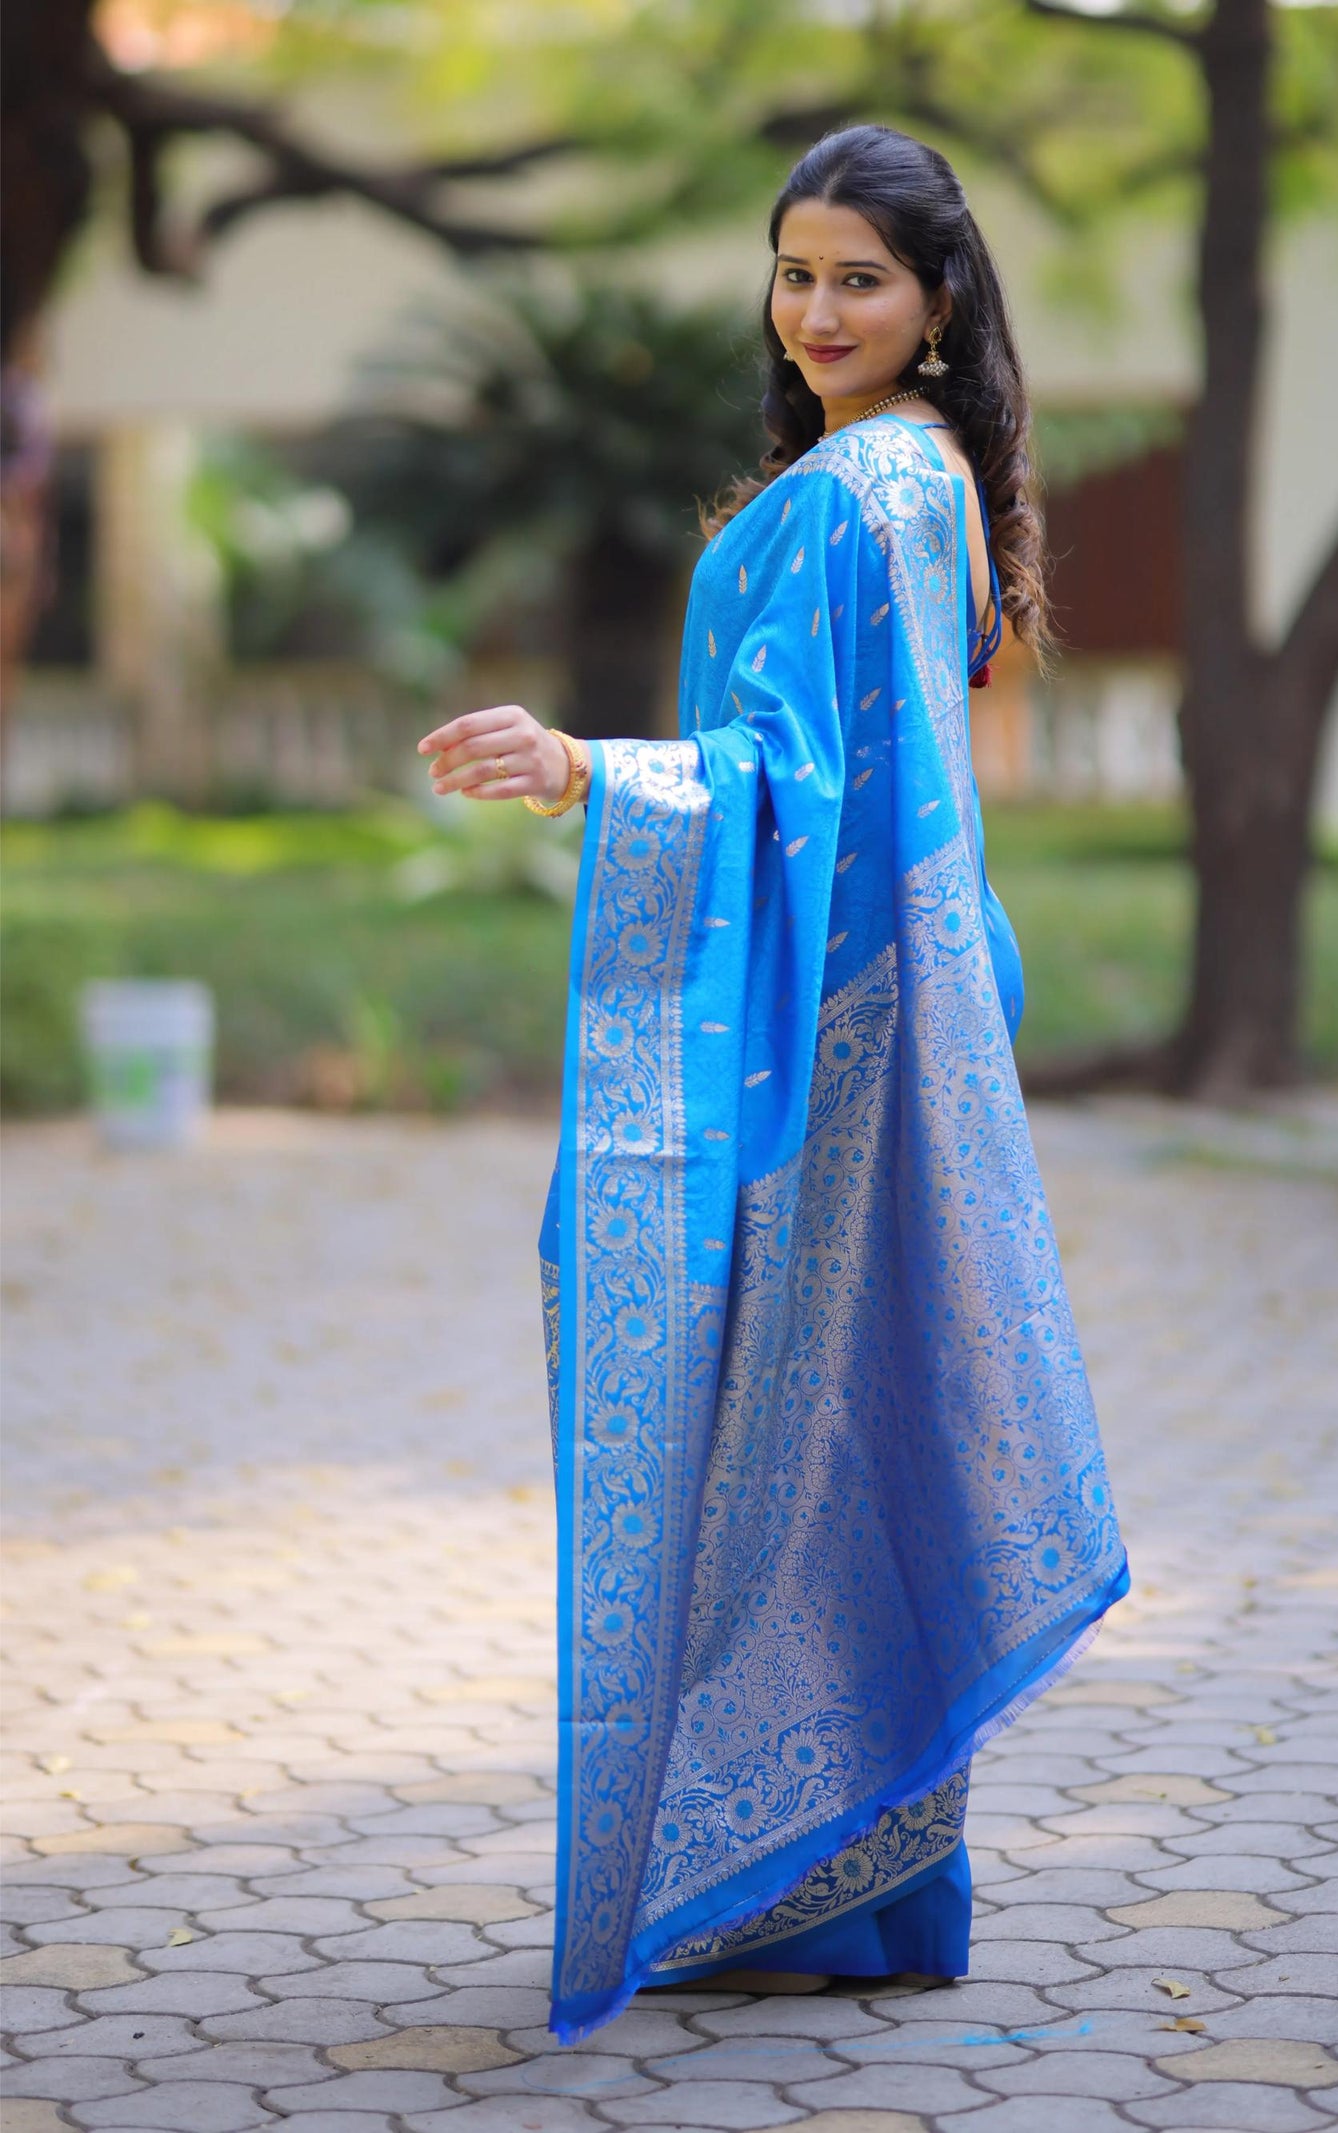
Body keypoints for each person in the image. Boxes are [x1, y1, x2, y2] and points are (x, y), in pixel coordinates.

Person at [417, 124, 1128, 2046]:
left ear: (940, 296)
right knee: (849, 1401)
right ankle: (853, 1896)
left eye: (861, 280)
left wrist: (591, 766)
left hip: (837, 1025)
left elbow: (787, 782)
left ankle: (804, 1880)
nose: (819, 311)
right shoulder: (931, 480)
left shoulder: (869, 488)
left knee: (802, 1410)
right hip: (887, 1008)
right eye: (796, 272)